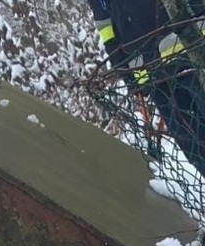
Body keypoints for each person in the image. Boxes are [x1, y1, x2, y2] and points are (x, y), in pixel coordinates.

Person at [87, 0, 205, 178]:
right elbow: (108, 32)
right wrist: (129, 76)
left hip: (190, 53)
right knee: (193, 145)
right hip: (154, 77)